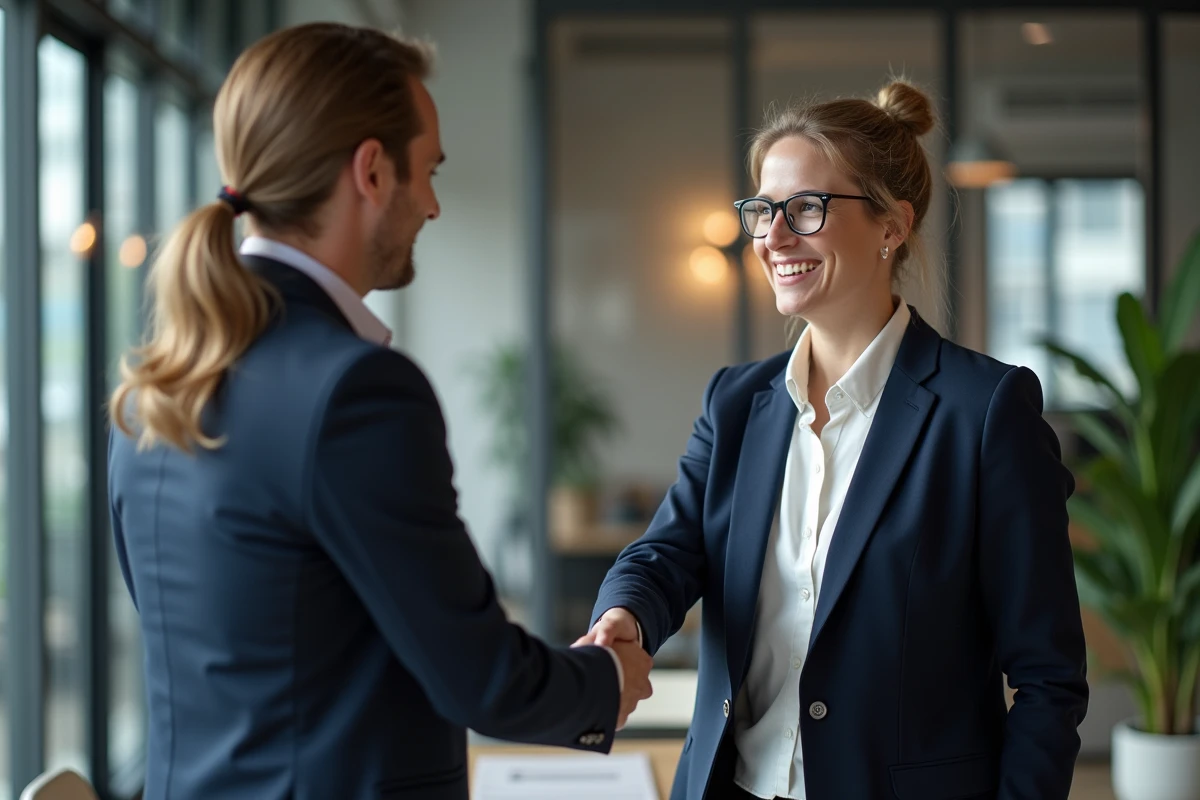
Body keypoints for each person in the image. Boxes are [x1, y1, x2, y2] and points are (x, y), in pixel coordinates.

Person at [108, 22, 652, 800]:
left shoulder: (158, 384)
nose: (432, 205)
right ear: (371, 171)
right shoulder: (356, 392)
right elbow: (481, 677)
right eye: (427, 171)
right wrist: (609, 677)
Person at [576, 80, 1088, 800]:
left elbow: (1047, 678)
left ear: (892, 225)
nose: (772, 236)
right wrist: (623, 619)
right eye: (762, 209)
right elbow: (666, 552)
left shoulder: (984, 412)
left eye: (805, 209)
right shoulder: (736, 403)